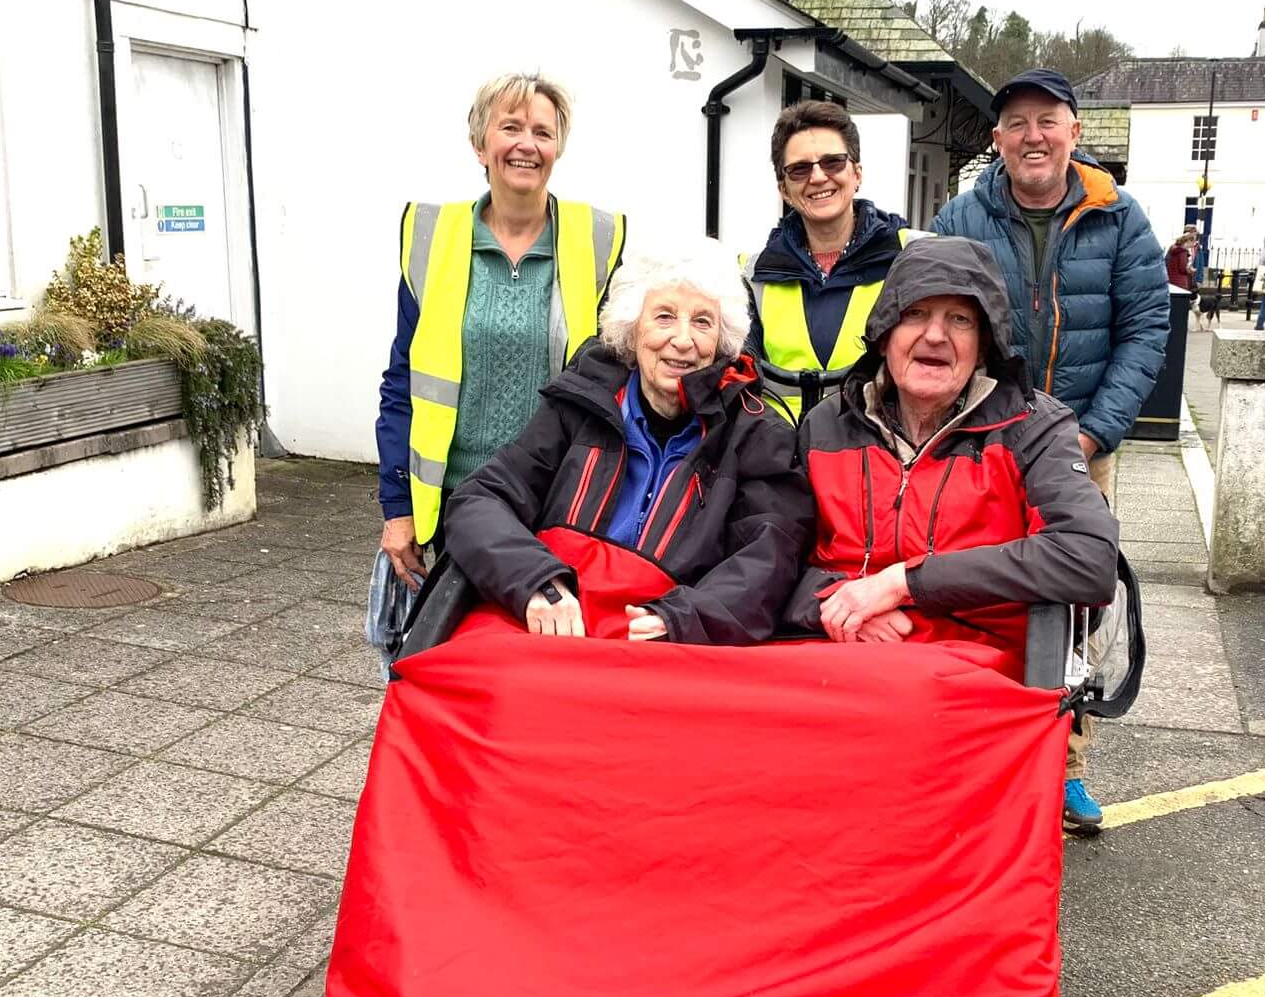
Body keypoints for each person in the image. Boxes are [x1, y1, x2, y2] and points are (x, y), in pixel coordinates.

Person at [783, 236, 1120, 832]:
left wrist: (905, 583)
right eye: (915, 313)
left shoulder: (1031, 428)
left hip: (972, 674)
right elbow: (773, 556)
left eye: (959, 319)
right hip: (836, 661)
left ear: (984, 340)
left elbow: (1088, 558)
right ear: (886, 329)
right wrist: (834, 602)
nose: (935, 335)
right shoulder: (826, 425)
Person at [931, 67, 1164, 834]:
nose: (1034, 136)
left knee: (1073, 611)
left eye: (1049, 120)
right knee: (980, 595)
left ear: (1073, 131)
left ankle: (1064, 764)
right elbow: (939, 318)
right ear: (997, 139)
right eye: (1018, 123)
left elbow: (1144, 332)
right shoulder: (961, 215)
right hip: (985, 440)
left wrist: (1096, 431)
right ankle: (978, 750)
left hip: (1083, 445)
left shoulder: (1119, 217)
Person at [443, 243, 812, 645]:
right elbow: (479, 500)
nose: (683, 340)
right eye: (665, 317)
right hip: (555, 624)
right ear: (633, 328)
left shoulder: (755, 432)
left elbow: (771, 555)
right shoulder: (580, 403)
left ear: (722, 341)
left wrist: (686, 618)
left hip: (664, 643)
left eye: (703, 322)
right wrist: (535, 580)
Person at [375, 73, 626, 593]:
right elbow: (404, 382)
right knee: (456, 654)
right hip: (454, 502)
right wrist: (397, 508)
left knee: (548, 655)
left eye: (543, 131)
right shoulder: (432, 236)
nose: (526, 145)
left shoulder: (598, 239)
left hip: (558, 499)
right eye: (510, 127)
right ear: (479, 144)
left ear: (558, 148)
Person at [744, 100, 915, 422]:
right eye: (800, 169)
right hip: (778, 458)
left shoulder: (913, 258)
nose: (819, 177)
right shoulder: (754, 275)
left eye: (833, 163)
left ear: (857, 173)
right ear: (784, 188)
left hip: (880, 454)